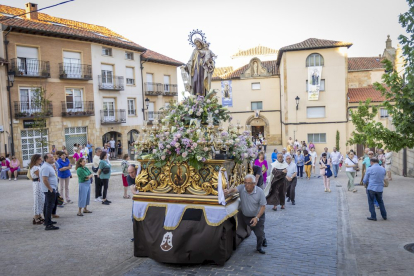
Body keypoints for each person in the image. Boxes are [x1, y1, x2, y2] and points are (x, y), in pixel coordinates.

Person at [224, 175, 267, 254]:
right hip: (246, 216)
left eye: (249, 183)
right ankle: (262, 237)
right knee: (256, 230)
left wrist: (257, 218)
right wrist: (228, 191)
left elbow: (263, 206)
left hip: (258, 216)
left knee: (259, 233)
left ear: (254, 184)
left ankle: (259, 247)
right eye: (245, 183)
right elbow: (235, 189)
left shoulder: (260, 192)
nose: (246, 185)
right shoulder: (242, 188)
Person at [40, 153, 59, 230]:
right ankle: (48, 224)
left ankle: (47, 221)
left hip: (50, 188)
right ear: (46, 159)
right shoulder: (46, 167)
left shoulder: (49, 166)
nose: (52, 158)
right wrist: (50, 189)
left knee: (47, 205)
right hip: (49, 189)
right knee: (49, 206)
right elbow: (45, 179)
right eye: (50, 157)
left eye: (52, 157)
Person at [30, 154, 44, 225]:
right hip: (37, 185)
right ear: (36, 160)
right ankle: (35, 217)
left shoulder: (38, 166)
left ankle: (39, 215)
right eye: (40, 159)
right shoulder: (35, 167)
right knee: (37, 199)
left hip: (39, 184)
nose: (41, 160)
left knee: (40, 199)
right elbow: (40, 175)